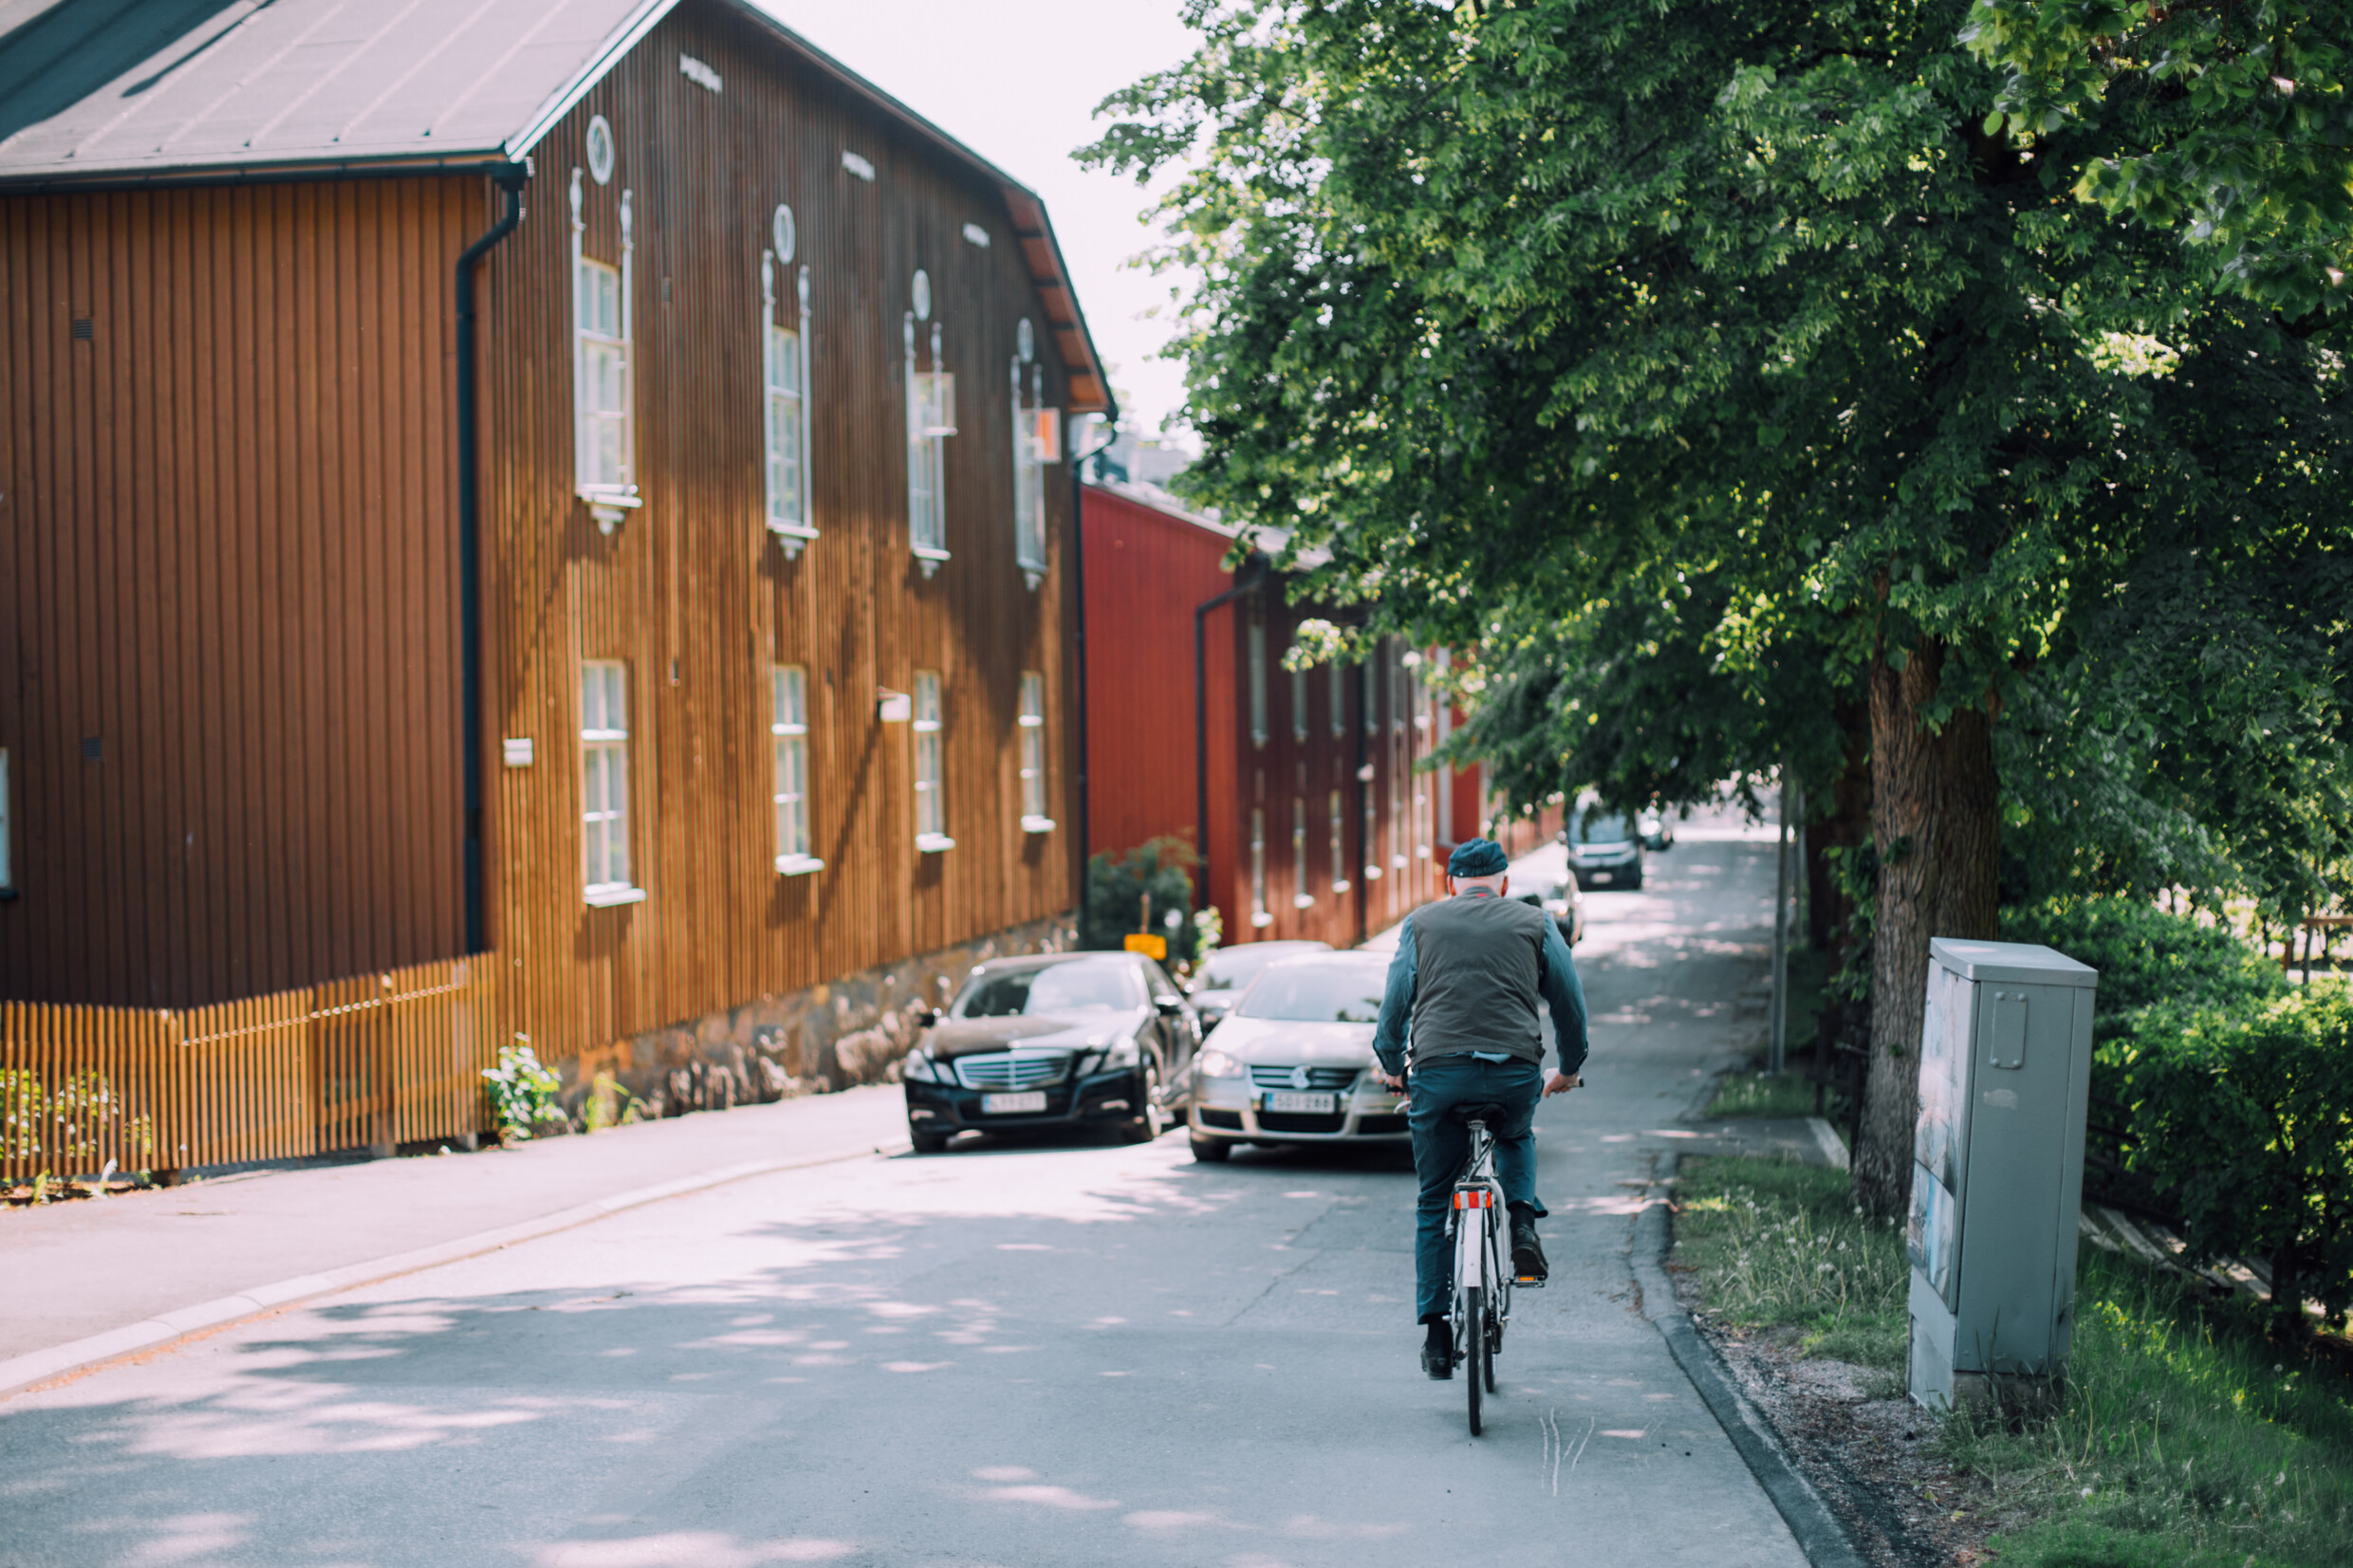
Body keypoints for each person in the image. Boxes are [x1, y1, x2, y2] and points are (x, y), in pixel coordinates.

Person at [1372, 837, 1587, 1379]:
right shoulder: (1535, 922)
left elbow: (1396, 1000)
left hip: (1439, 1077)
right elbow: (1568, 1000)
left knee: (1433, 1202)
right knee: (1515, 1134)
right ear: (1504, 884)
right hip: (1515, 1072)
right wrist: (1568, 1067)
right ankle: (1521, 1225)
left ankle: (1438, 1336)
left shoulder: (1421, 923)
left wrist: (1393, 1065)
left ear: (1450, 885)